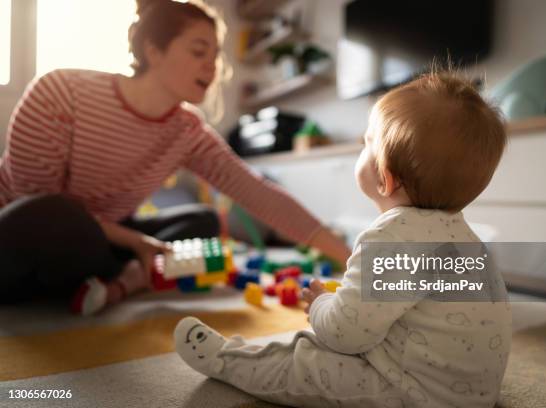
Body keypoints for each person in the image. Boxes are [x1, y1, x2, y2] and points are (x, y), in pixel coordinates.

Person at [174, 72, 513, 408]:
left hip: (414, 395)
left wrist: (321, 304)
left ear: (386, 178)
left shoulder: (389, 238)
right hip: (474, 396)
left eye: (367, 143)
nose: (360, 148)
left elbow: (343, 335)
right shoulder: (470, 241)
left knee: (306, 361)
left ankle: (226, 360)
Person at [0, 0, 350, 314]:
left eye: (215, 57)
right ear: (154, 50)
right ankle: (125, 276)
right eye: (199, 52)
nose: (212, 68)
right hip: (27, 230)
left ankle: (114, 278)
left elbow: (260, 194)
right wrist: (137, 243)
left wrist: (353, 262)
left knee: (204, 221)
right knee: (55, 214)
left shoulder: (188, 132)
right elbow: (33, 200)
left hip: (104, 236)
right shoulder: (62, 92)